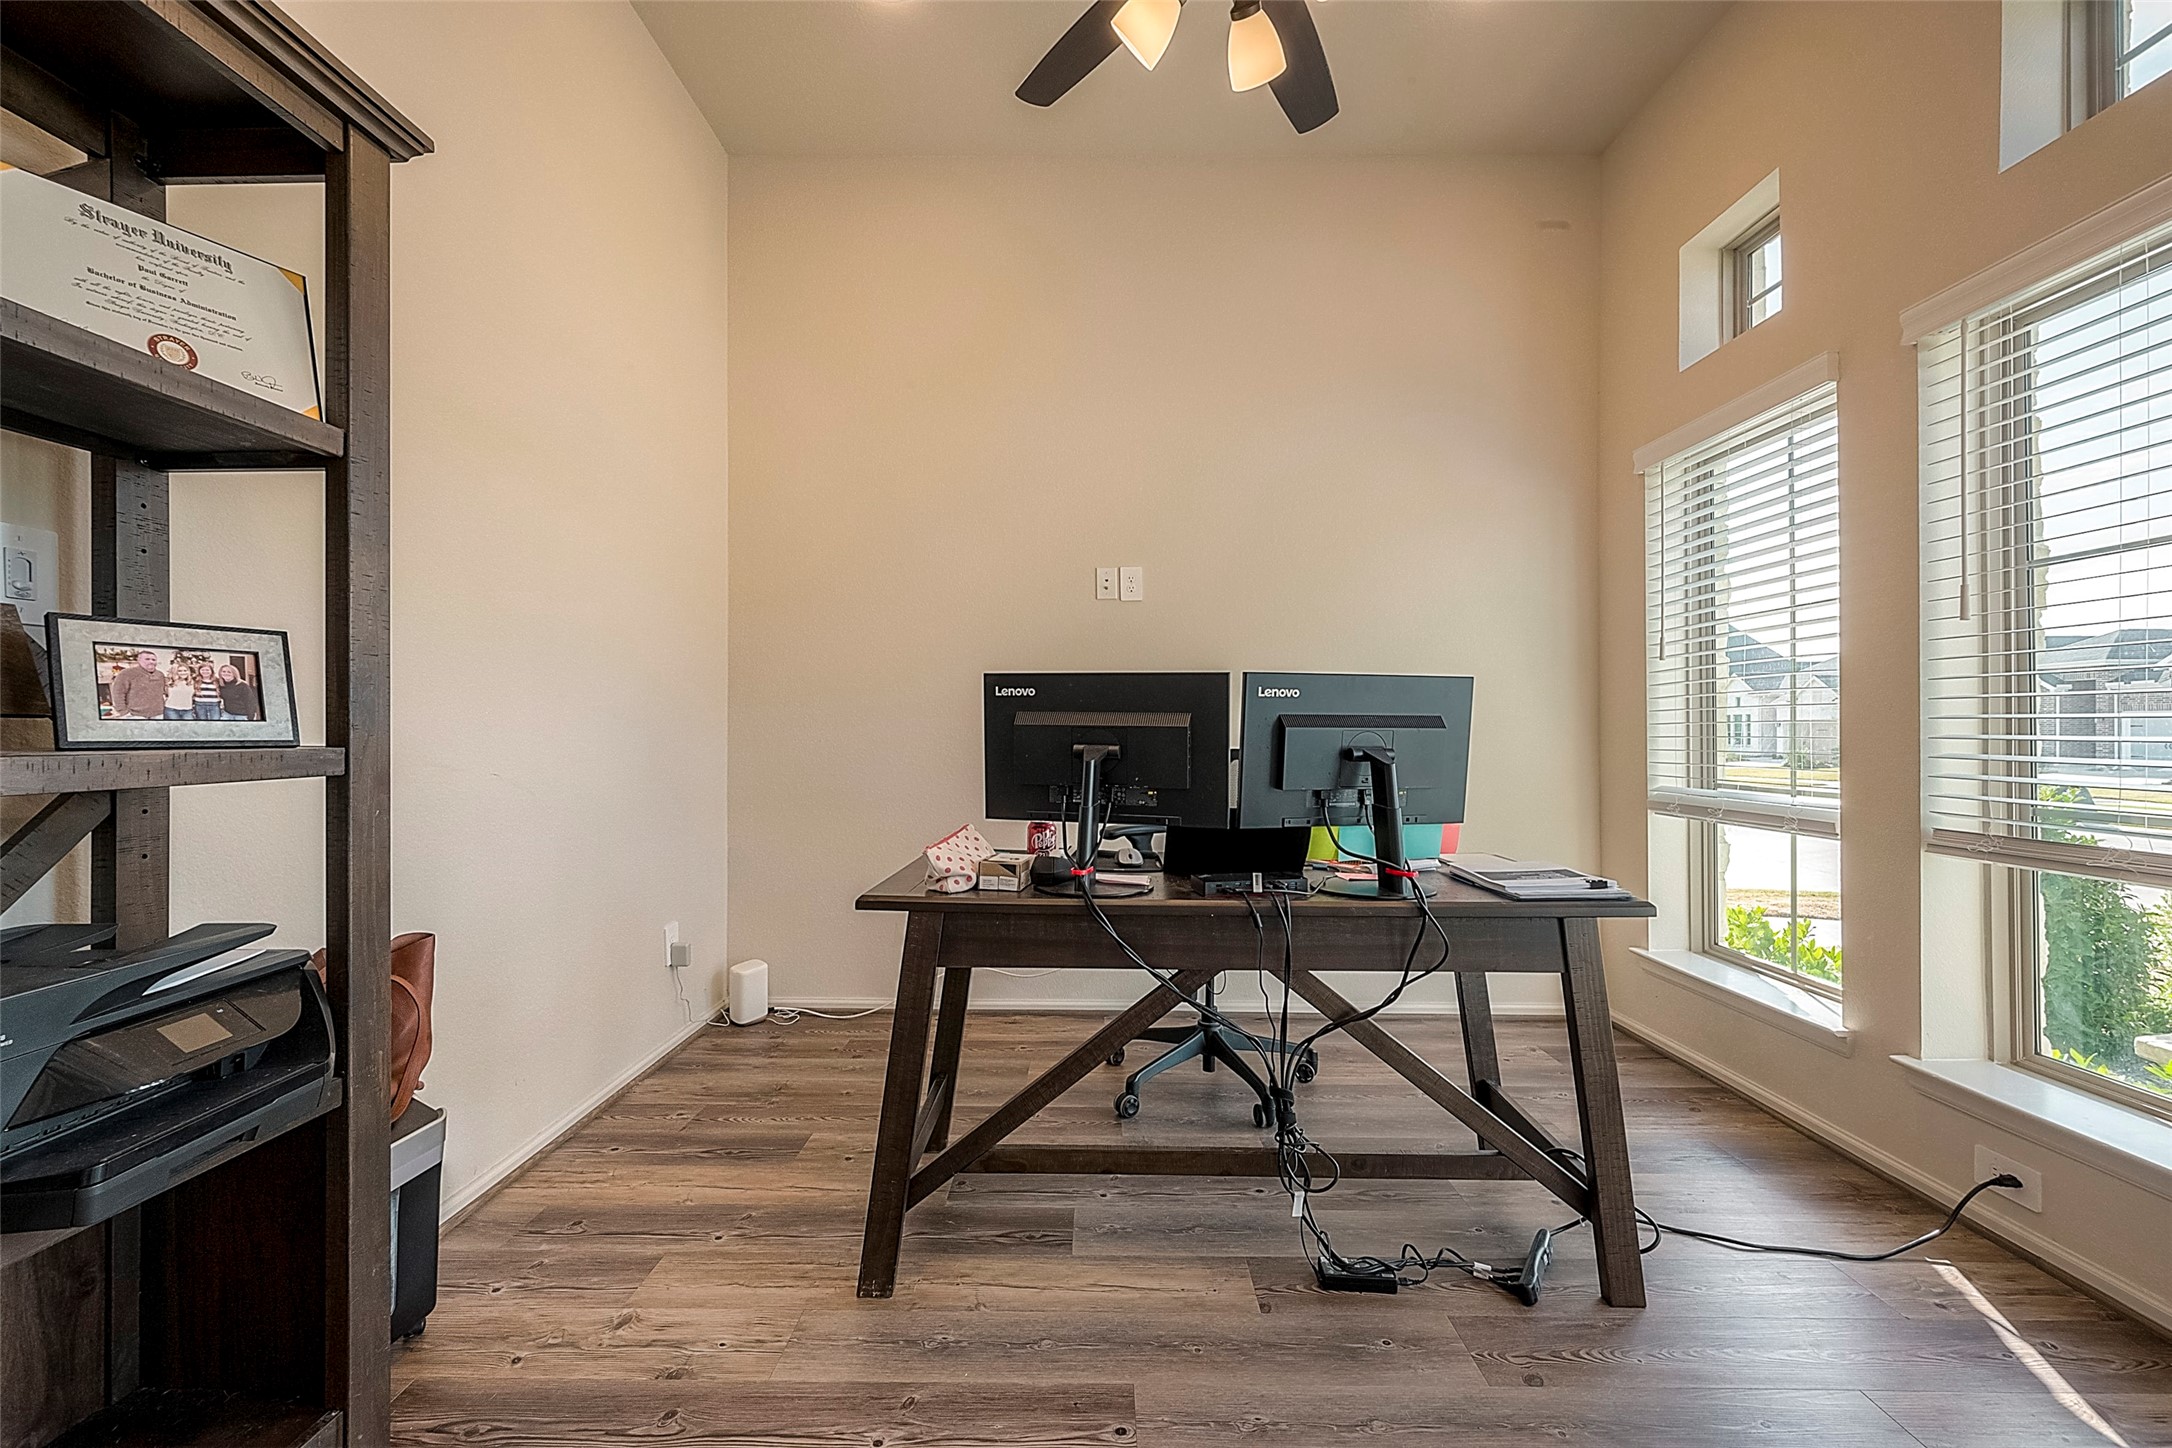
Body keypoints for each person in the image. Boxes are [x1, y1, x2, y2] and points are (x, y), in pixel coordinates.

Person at [106, 649, 168, 719]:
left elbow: (164, 692)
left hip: (158, 714)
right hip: (135, 715)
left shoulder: (160, 675)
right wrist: (123, 711)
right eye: (147, 659)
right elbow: (118, 693)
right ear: (139, 660)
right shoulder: (126, 673)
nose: (151, 661)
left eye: (153, 660)